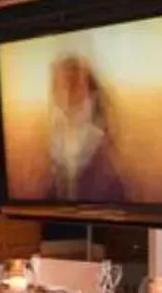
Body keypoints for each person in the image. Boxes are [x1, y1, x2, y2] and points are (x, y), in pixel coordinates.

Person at [45, 54, 126, 201]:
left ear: (90, 94)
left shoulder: (98, 143)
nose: (67, 96)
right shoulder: (55, 144)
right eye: (60, 88)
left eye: (74, 86)